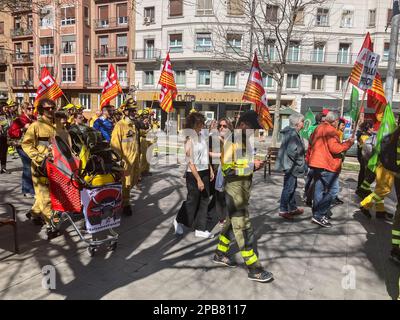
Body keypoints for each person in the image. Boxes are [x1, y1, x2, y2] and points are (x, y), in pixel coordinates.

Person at [212, 110, 273, 282]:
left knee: (232, 224)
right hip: (234, 193)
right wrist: (252, 167)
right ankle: (254, 268)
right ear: (244, 125)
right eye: (253, 128)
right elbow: (227, 169)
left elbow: (242, 164)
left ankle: (219, 253)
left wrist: (254, 165)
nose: (254, 132)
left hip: (242, 192)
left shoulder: (243, 141)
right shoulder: (233, 141)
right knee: (244, 227)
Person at [308, 111, 354, 228]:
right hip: (327, 165)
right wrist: (348, 144)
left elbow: (311, 141)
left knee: (319, 190)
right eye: (338, 122)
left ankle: (316, 213)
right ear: (335, 121)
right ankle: (319, 214)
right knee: (333, 190)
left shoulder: (319, 128)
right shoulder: (332, 131)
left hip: (317, 163)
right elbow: (335, 149)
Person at [22, 98, 59, 239]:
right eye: (47, 108)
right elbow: (26, 144)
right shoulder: (35, 126)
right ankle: (51, 225)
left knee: (45, 195)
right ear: (42, 110)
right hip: (41, 166)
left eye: (52, 107)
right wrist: (39, 158)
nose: (51, 110)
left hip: (56, 165)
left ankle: (34, 213)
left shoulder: (56, 125)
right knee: (46, 196)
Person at [174, 112, 215, 238]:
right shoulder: (189, 140)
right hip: (193, 174)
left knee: (204, 199)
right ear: (193, 125)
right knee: (192, 200)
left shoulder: (202, 136)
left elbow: (205, 154)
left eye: (202, 123)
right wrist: (198, 179)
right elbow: (190, 162)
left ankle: (200, 228)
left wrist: (210, 169)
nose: (202, 126)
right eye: (200, 124)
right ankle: (179, 220)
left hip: (204, 171)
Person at [110, 100, 140, 216]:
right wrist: (118, 160)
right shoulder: (120, 125)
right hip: (125, 161)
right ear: (125, 111)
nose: (134, 113)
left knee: (131, 182)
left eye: (134, 110)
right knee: (124, 184)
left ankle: (124, 201)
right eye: (131, 110)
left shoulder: (133, 125)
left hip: (134, 160)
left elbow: (135, 143)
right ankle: (125, 204)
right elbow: (115, 144)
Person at [275, 113, 306, 220]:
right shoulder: (292, 134)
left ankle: (292, 208)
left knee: (292, 187)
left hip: (291, 165)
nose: (303, 123)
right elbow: (292, 151)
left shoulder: (293, 133)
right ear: (297, 123)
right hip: (290, 166)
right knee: (288, 188)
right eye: (302, 121)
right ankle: (283, 210)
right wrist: (300, 161)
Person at [8, 102, 36, 197]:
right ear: (23, 110)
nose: (32, 110)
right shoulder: (19, 120)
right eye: (29, 108)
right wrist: (23, 128)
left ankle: (30, 189)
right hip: (21, 146)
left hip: (32, 146)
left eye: (33, 108)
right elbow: (11, 133)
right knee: (27, 166)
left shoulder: (34, 119)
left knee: (33, 167)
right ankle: (28, 191)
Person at [208, 117, 233, 225]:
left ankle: (211, 212)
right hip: (214, 169)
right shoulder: (213, 138)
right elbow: (207, 153)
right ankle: (220, 217)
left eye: (224, 126)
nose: (222, 128)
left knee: (223, 194)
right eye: (220, 126)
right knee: (217, 195)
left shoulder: (232, 138)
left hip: (229, 169)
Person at [0, 103, 10, 174]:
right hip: (1, 136)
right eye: (5, 107)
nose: (7, 109)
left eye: (7, 107)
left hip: (5, 136)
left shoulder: (8, 114)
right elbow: (4, 124)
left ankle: (3, 168)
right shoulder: (1, 115)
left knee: (4, 152)